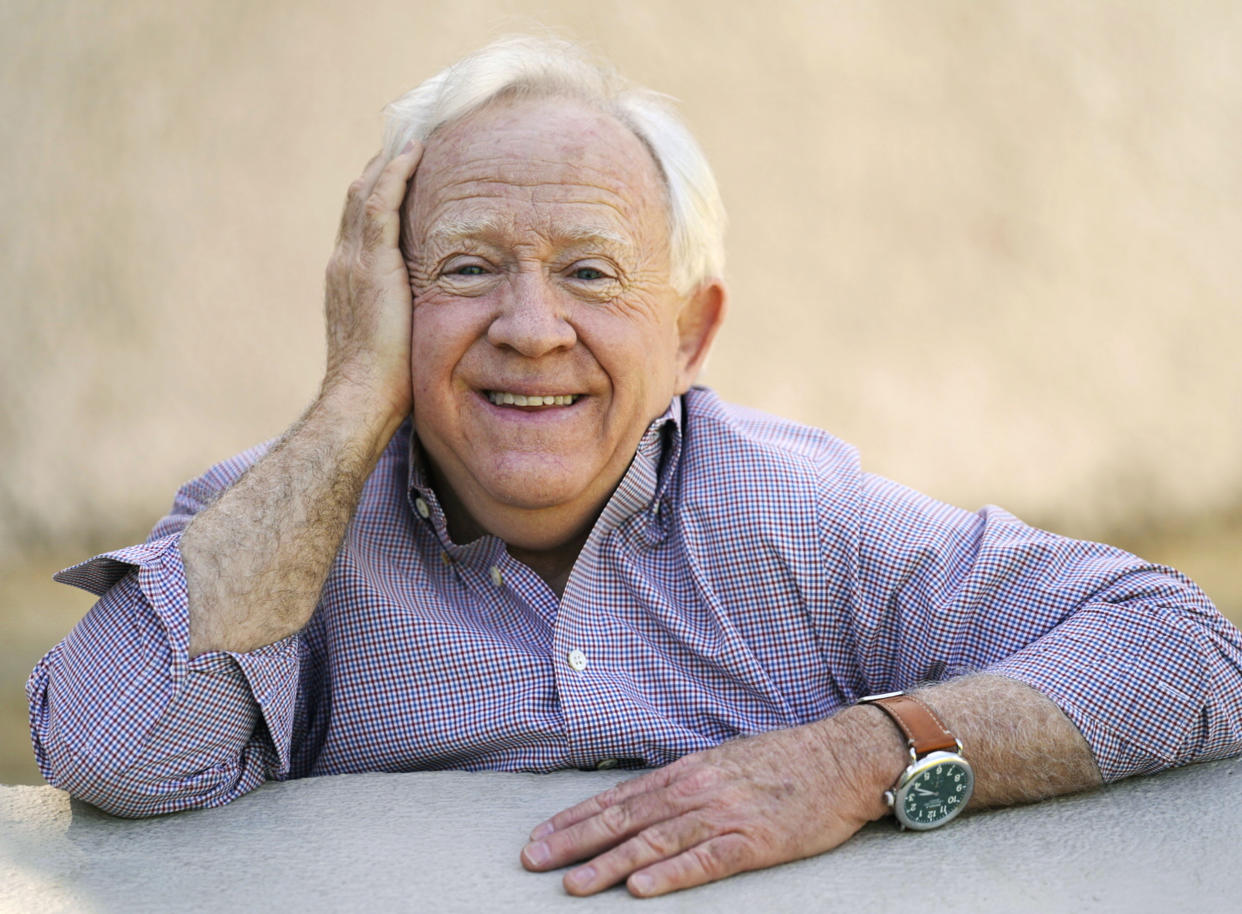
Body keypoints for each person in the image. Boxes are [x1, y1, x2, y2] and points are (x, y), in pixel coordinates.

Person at [27, 36, 1242, 898]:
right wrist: (352, 397)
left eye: (591, 273)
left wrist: (860, 755)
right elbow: (113, 748)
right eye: (463, 267)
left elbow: (1187, 650)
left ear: (691, 332)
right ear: (383, 301)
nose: (531, 326)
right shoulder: (275, 525)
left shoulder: (791, 511)